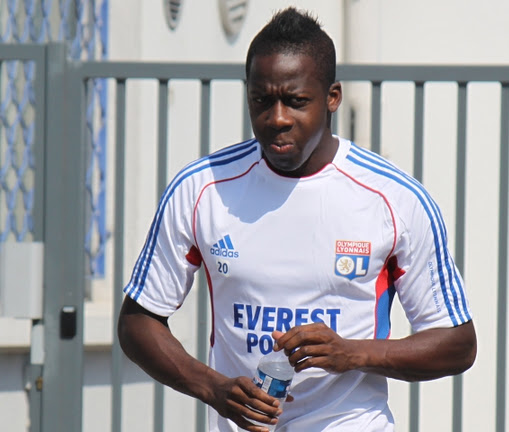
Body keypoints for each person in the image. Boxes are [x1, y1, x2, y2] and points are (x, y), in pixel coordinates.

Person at [118, 7, 477, 432]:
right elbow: (138, 320)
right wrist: (213, 388)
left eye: (296, 101)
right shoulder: (202, 188)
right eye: (261, 100)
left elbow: (457, 343)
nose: (278, 118)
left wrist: (352, 353)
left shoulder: (394, 200)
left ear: (332, 97)